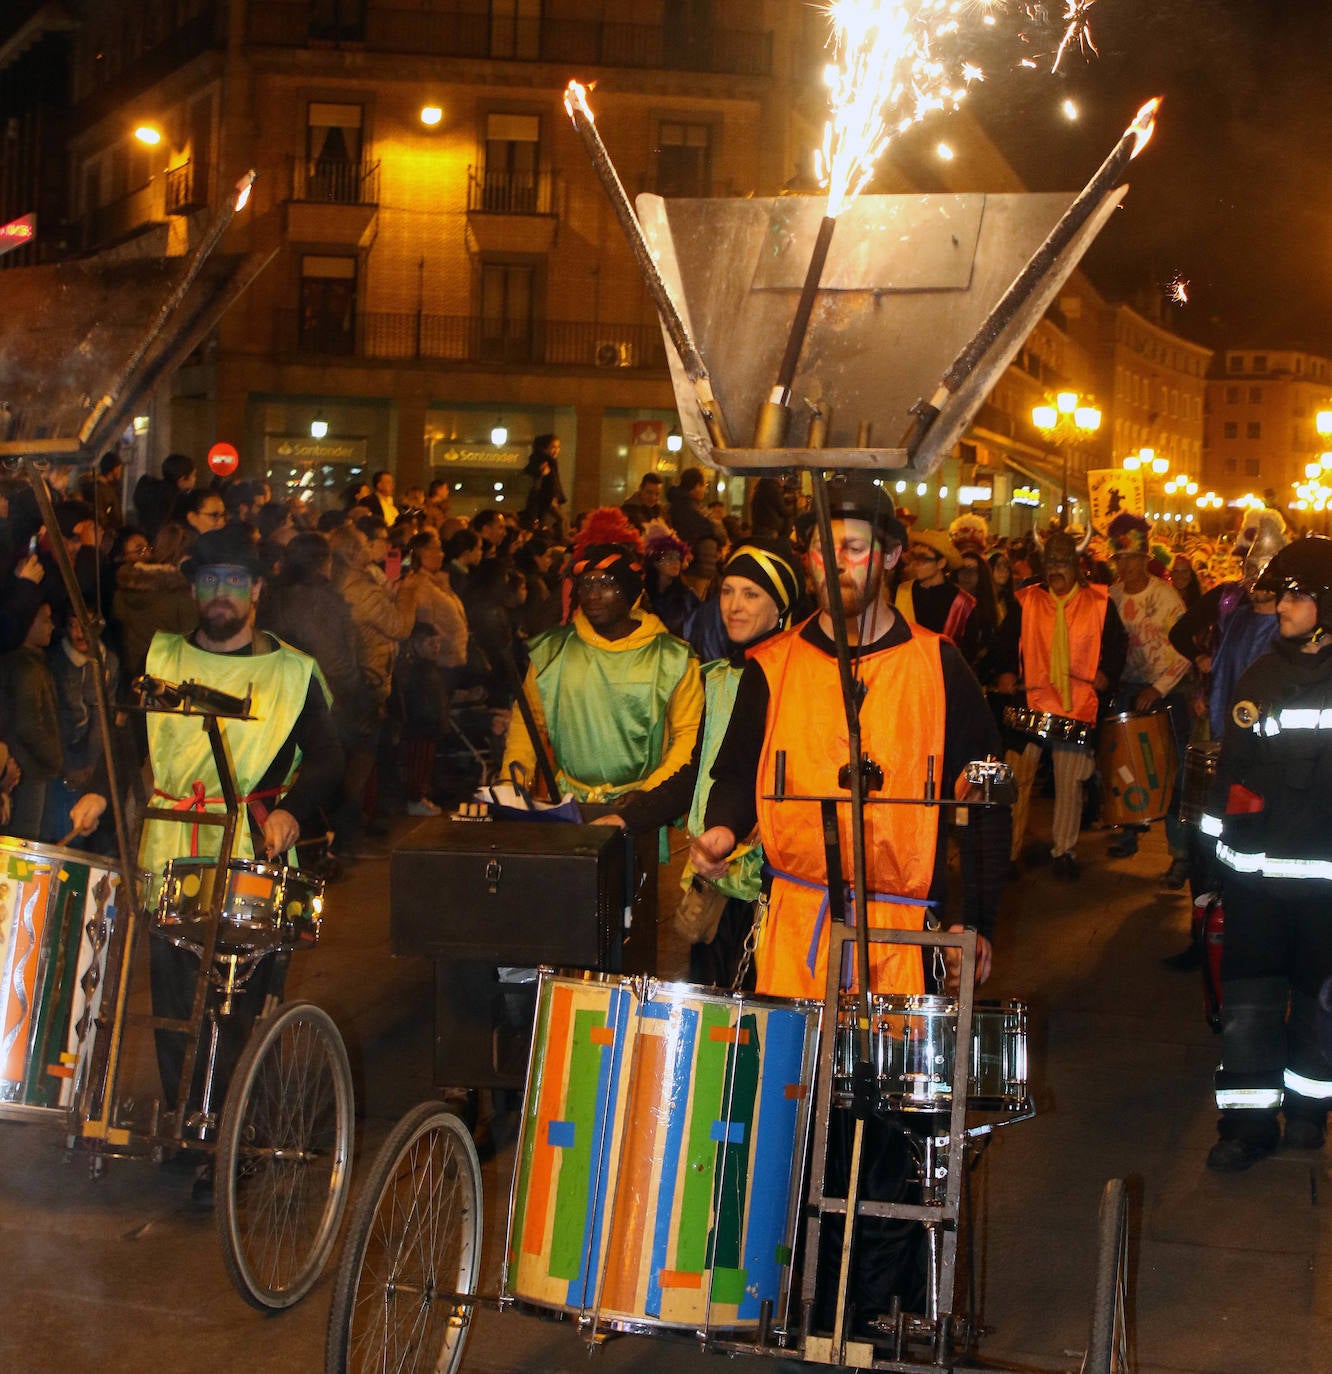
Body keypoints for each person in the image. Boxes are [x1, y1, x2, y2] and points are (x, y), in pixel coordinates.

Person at [68, 527, 342, 1190]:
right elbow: (127, 736)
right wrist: (100, 794)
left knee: (235, 1002)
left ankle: (233, 1133)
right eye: (209, 581)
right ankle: (193, 1130)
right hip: (169, 844)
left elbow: (331, 760)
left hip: (249, 847)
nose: (220, 595)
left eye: (233, 582)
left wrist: (290, 810)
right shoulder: (160, 658)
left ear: (255, 591)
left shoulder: (292, 673)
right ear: (195, 589)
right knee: (172, 999)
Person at [692, 477, 1009, 1002]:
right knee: (790, 1082)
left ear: (890, 556)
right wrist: (723, 828)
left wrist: (975, 922)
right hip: (794, 933)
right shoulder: (771, 666)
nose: (834, 562)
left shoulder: (938, 666)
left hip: (902, 939)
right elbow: (737, 770)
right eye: (821, 549)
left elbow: (986, 802)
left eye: (853, 549)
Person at [601, 539, 805, 987]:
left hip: (776, 886)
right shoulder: (714, 678)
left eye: (751, 594)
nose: (733, 606)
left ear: (781, 607)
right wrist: (630, 817)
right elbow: (694, 772)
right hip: (715, 874)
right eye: (727, 591)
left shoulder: (799, 682)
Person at [1202, 537, 1332, 1170]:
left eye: (1296, 594)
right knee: (1249, 1004)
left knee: (1319, 998)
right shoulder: (1261, 676)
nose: (1281, 604)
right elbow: (1229, 778)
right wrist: (1208, 871)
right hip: (1255, 882)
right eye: (1281, 593)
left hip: (1326, 887)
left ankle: (1309, 1112)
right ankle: (1246, 1128)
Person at [501, 508, 703, 803]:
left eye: (606, 584)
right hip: (570, 806)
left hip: (641, 809)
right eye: (586, 585)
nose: (593, 595)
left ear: (630, 591)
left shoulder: (672, 657)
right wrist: (512, 784)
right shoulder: (554, 651)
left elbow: (688, 736)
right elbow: (529, 723)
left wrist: (648, 795)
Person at [993, 530, 1127, 880]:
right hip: (1030, 701)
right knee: (1016, 780)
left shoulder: (1099, 603)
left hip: (1077, 707)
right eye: (1050, 562)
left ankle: (1063, 851)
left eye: (1063, 562)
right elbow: (1005, 641)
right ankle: (1007, 854)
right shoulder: (1027, 601)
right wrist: (1006, 671)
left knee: (1070, 785)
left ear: (1077, 565)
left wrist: (1105, 674)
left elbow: (1116, 645)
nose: (1056, 569)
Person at [1104, 512, 1193, 886]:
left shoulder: (1166, 596)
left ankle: (1180, 854)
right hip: (1128, 689)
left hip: (1167, 690)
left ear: (1144, 559)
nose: (1124, 566)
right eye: (1119, 560)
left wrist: (1158, 687)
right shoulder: (1112, 595)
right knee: (1125, 766)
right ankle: (1129, 829)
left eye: (1129, 559)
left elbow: (1187, 649)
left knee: (1168, 771)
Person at [895, 528, 979, 663]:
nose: (916, 564)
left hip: (945, 676)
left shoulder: (963, 602)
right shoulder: (902, 591)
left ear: (941, 563)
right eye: (915, 557)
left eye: (923, 559)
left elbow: (969, 652)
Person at [522, 433, 567, 537]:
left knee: (553, 520)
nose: (556, 450)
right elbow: (550, 482)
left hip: (545, 499)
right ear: (544, 448)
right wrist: (554, 496)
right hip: (544, 498)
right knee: (561, 519)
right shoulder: (544, 461)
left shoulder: (545, 460)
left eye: (558, 447)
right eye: (553, 447)